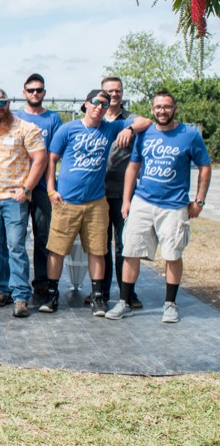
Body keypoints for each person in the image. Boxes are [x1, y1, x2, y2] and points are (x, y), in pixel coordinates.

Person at [40, 89, 152, 316]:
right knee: (57, 250)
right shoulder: (68, 129)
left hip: (96, 203)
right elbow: (51, 160)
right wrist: (51, 190)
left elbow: (146, 121)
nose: (99, 107)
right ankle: (52, 295)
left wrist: (129, 129)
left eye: (104, 104)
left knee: (97, 250)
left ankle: (98, 297)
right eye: (95, 102)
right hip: (67, 201)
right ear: (86, 104)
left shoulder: (110, 128)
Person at [106, 91, 211, 323]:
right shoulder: (145, 133)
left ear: (174, 109)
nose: (162, 111)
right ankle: (124, 302)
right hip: (143, 201)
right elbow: (133, 167)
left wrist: (199, 200)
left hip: (174, 205)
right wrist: (127, 200)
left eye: (167, 107)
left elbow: (205, 165)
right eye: (158, 107)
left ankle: (170, 304)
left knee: (172, 254)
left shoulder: (189, 135)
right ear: (152, 110)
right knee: (130, 251)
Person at [0, 89, 46, 318]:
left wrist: (27, 188)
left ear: (9, 103)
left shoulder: (26, 128)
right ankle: (3, 289)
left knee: (15, 246)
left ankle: (21, 295)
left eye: (1, 103)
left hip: (15, 199)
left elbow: (40, 159)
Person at [13, 73, 62, 300]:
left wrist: (51, 188)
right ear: (24, 92)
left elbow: (52, 157)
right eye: (31, 90)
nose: (35, 93)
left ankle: (42, 281)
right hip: (18, 187)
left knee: (43, 236)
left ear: (44, 92)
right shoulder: (15, 117)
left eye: (39, 90)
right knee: (16, 238)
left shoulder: (53, 119)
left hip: (42, 187)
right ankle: (15, 283)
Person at [97, 76, 142, 308]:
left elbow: (147, 121)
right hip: (98, 193)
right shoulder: (97, 117)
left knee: (125, 245)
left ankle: (127, 293)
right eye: (110, 91)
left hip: (124, 194)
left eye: (118, 90)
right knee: (101, 245)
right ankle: (102, 292)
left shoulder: (130, 119)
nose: (114, 94)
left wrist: (130, 129)